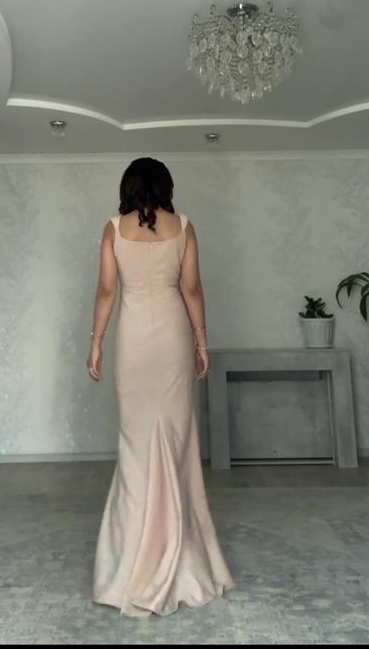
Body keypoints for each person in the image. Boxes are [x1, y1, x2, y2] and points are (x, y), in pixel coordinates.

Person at [88, 157, 234, 617]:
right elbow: (191, 290)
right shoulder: (184, 226)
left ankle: (129, 565)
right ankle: (180, 556)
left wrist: (96, 343)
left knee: (135, 443)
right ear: (166, 186)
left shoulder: (114, 228)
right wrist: (202, 342)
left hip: (133, 338)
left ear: (127, 187)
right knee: (176, 442)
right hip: (172, 336)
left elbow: (107, 292)